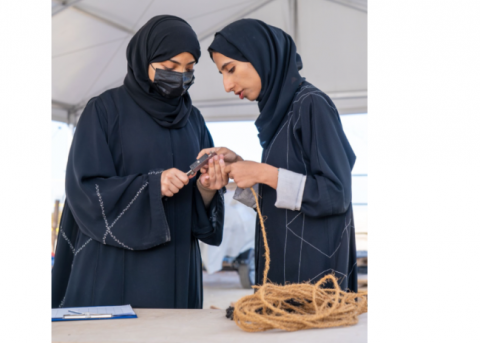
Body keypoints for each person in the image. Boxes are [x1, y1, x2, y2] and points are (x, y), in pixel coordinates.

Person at [52, 15, 228, 309]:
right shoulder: (104, 111)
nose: (180, 76)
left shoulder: (193, 120)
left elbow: (201, 207)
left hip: (178, 271)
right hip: (115, 269)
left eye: (189, 69)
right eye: (170, 67)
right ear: (143, 58)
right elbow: (84, 190)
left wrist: (208, 190)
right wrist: (152, 185)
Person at [199, 19, 358, 292]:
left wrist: (262, 172)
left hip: (315, 277)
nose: (227, 85)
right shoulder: (281, 115)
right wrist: (239, 167)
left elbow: (335, 194)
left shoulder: (310, 104)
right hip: (285, 270)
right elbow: (285, 196)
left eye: (231, 69)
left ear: (260, 56)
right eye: (222, 74)